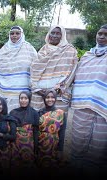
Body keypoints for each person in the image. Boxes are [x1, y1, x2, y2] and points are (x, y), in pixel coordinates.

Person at [70, 24, 107, 175]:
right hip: (83, 103)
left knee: (100, 139)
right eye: (100, 33)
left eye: (106, 34)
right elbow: (76, 74)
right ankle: (76, 167)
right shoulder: (87, 56)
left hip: (103, 106)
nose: (102, 36)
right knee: (79, 136)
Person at [30, 25, 78, 112]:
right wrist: (38, 90)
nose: (55, 35)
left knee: (57, 121)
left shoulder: (70, 51)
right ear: (49, 34)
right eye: (52, 33)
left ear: (62, 36)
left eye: (58, 33)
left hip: (58, 93)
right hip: (39, 93)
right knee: (38, 120)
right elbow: (34, 71)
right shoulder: (42, 50)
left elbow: (72, 72)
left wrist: (59, 89)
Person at [0, 26, 38, 112]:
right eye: (12, 33)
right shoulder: (4, 49)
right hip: (5, 88)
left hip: (22, 88)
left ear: (22, 34)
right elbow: (0, 67)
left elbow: (36, 66)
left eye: (17, 33)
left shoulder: (29, 48)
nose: (14, 35)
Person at [9, 91, 39, 174]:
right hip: (15, 144)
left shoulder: (34, 113)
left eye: (25, 98)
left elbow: (36, 132)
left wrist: (35, 148)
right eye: (21, 98)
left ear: (29, 99)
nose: (23, 100)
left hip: (28, 145)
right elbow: (11, 130)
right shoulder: (13, 112)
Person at [38, 89, 66, 170]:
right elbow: (36, 131)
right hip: (41, 144)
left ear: (55, 98)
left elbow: (62, 132)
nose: (50, 99)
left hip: (54, 145)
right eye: (47, 97)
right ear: (44, 99)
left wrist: (60, 150)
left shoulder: (61, 113)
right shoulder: (39, 112)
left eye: (52, 97)